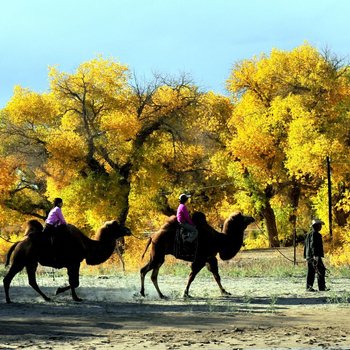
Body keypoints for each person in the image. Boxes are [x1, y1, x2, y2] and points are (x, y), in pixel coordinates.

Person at [304, 219, 329, 292]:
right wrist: (316, 256)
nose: (321, 227)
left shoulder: (309, 234)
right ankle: (322, 287)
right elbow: (313, 245)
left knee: (311, 272)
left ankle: (309, 287)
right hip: (315, 256)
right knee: (321, 270)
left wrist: (306, 256)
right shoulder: (316, 234)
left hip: (309, 256)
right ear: (316, 226)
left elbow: (306, 246)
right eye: (320, 225)